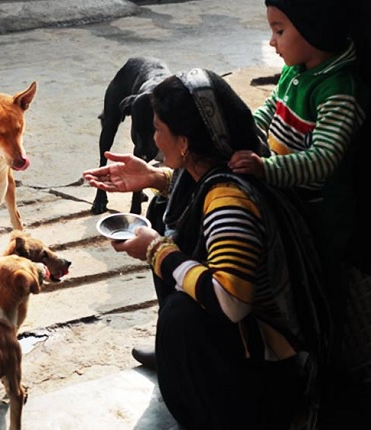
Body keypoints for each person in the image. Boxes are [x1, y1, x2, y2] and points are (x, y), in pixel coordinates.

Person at [83, 68, 328, 429]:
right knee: (160, 210)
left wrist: (157, 252)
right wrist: (153, 177)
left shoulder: (229, 199)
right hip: (249, 347)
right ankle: (180, 363)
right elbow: (190, 191)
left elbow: (232, 301)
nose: (153, 139)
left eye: (158, 130)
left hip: (265, 375)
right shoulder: (218, 166)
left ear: (184, 142)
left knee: (181, 314)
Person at [227, 2, 369, 422]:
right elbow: (266, 115)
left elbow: (323, 158)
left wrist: (267, 168)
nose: (271, 42)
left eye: (279, 30)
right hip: (290, 204)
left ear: (313, 28)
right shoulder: (296, 73)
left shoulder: (340, 89)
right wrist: (238, 132)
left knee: (319, 298)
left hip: (322, 221)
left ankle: (322, 375)